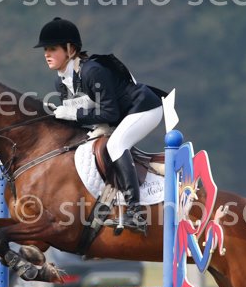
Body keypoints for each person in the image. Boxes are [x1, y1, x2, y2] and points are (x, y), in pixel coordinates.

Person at [35, 17, 164, 234]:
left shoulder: (91, 71)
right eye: (45, 49)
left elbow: (110, 112)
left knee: (116, 145)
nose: (46, 54)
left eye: (52, 49)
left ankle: (135, 212)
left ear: (70, 49)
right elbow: (83, 120)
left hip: (144, 108)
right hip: (115, 117)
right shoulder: (61, 82)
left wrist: (73, 114)